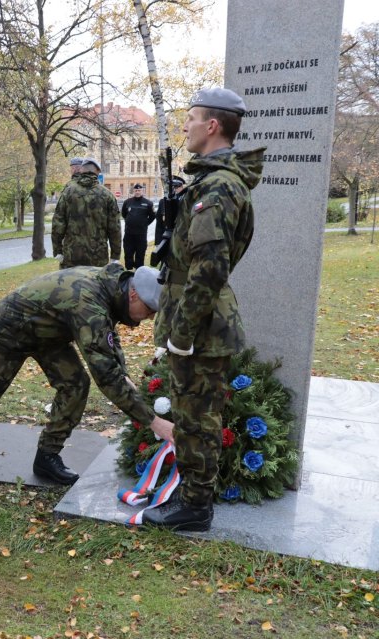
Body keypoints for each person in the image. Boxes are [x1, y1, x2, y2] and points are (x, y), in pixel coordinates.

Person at [0, 264, 174, 481]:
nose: (150, 316)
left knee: (75, 384)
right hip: (11, 329)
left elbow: (108, 341)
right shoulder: (89, 301)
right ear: (133, 294)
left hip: (48, 334)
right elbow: (105, 375)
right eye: (149, 309)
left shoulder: (112, 291)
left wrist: (123, 374)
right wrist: (154, 422)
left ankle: (47, 456)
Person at [145, 88, 264, 532]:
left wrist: (182, 333)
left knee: (197, 416)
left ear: (212, 125)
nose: (185, 126)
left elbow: (209, 269)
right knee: (190, 410)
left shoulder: (218, 186)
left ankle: (195, 506)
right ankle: (191, 493)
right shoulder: (210, 181)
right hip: (195, 317)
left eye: (192, 118)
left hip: (201, 324)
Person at [51, 158, 121, 267]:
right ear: (98, 172)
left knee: (70, 279)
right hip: (98, 257)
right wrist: (115, 256)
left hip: (71, 255)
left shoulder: (68, 192)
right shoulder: (107, 195)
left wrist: (58, 251)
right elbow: (114, 228)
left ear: (81, 170)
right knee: (95, 279)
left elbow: (58, 223)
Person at [120, 184, 155, 270]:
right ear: (133, 191)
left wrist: (145, 223)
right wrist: (129, 221)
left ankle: (139, 271)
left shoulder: (148, 203)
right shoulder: (127, 202)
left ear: (142, 191)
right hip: (129, 233)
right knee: (128, 253)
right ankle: (129, 270)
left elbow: (153, 216)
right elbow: (124, 214)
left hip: (141, 234)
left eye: (139, 190)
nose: (137, 192)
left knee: (140, 253)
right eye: (136, 190)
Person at [154, 177, 186, 247]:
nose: (175, 189)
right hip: (167, 237)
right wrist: (158, 242)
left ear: (182, 187)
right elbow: (159, 223)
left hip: (182, 238)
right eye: (173, 187)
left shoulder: (186, 201)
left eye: (177, 187)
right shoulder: (163, 202)